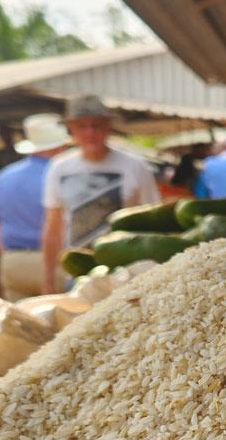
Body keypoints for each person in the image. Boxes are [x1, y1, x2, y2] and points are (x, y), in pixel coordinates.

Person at [41, 95, 161, 294]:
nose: (90, 133)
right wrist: (47, 278)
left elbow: (154, 220)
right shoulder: (59, 168)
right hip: (76, 272)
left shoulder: (135, 165)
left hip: (126, 272)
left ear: (108, 127)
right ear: (71, 129)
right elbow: (53, 227)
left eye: (96, 125)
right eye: (82, 126)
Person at [0, 113, 70, 300]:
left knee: (18, 326)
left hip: (13, 262)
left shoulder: (4, 176)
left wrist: (7, 254)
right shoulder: (63, 175)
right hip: (55, 262)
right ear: (60, 146)